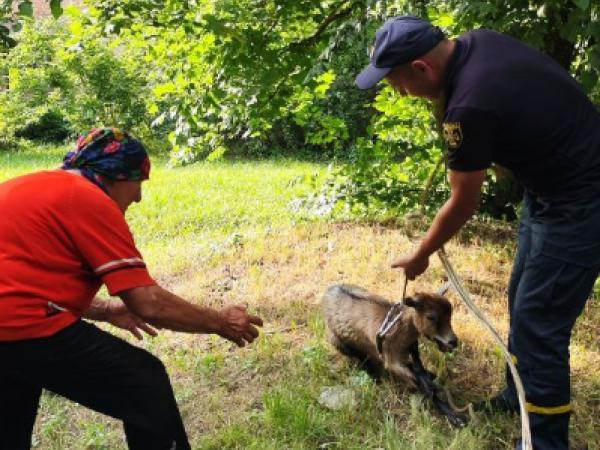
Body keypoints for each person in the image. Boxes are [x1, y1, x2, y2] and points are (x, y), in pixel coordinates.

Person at [355, 15, 600, 450]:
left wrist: (421, 254)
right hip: (551, 190)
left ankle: (544, 442)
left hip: (581, 203)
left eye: (397, 84)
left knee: (539, 325)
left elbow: (464, 200)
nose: (401, 93)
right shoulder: (476, 43)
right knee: (521, 299)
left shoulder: (468, 105)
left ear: (421, 68)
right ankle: (516, 397)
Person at [0, 128, 263, 450]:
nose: (138, 196)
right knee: (144, 381)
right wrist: (221, 322)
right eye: (139, 181)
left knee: (10, 416)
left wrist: (107, 310)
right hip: (21, 328)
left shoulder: (23, 186)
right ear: (117, 175)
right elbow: (149, 302)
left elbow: (20, 283)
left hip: (10, 329)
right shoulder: (86, 197)